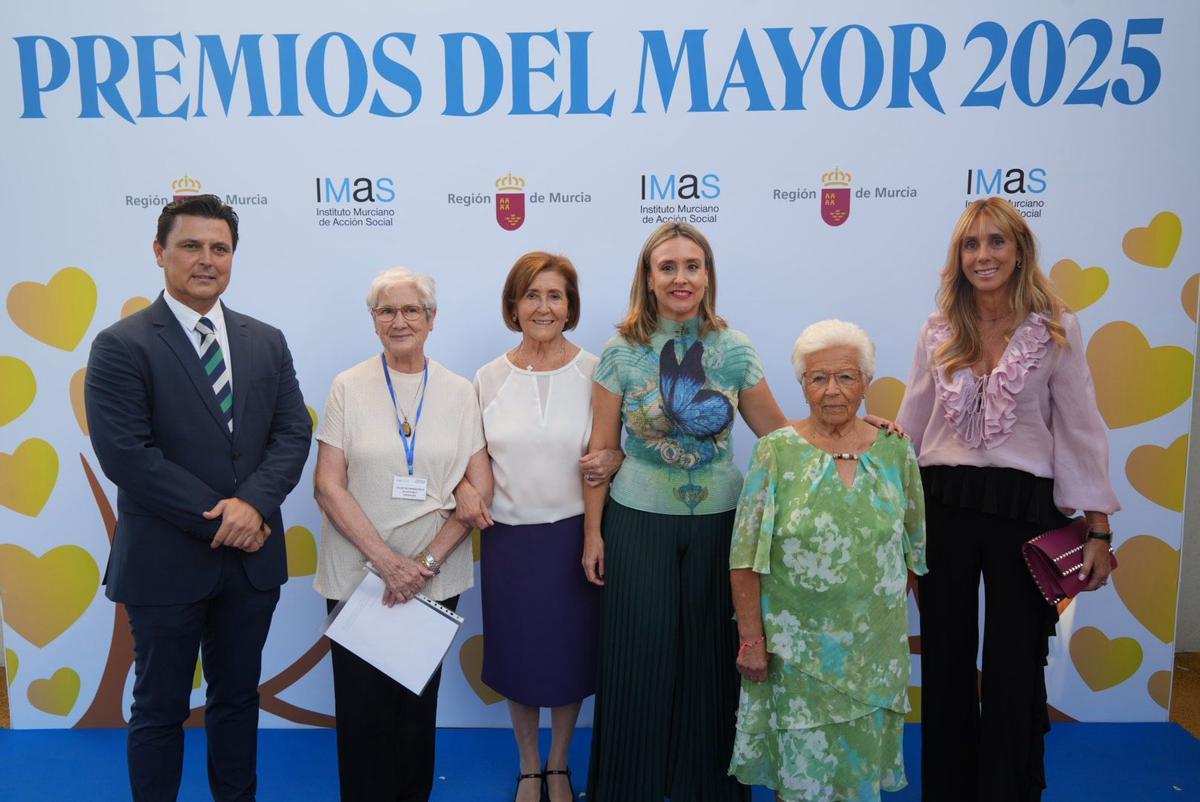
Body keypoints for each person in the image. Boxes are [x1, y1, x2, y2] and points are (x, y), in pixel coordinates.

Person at [85, 194, 312, 801]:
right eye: (190, 246)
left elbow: (293, 433)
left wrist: (252, 506)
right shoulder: (121, 344)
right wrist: (225, 518)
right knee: (159, 708)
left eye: (220, 248)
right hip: (164, 563)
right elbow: (127, 455)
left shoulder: (267, 341)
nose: (206, 259)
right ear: (159, 253)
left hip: (251, 562)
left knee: (237, 701)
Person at [896, 197, 1119, 801]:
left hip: (1025, 508)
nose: (983, 255)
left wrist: (1098, 527)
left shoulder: (1056, 328)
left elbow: (1080, 427)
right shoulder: (937, 330)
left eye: (996, 241)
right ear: (958, 258)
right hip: (944, 502)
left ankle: (1008, 790)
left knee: (1014, 661)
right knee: (945, 656)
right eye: (971, 244)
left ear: (1019, 251)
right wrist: (891, 516)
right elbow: (910, 426)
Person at [582, 222, 790, 802]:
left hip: (722, 525)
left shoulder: (735, 349)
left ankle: (710, 790)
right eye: (668, 267)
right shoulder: (620, 352)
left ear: (707, 275)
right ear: (648, 279)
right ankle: (627, 790)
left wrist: (853, 431)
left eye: (692, 266)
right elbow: (600, 453)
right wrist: (593, 533)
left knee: (713, 666)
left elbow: (778, 436)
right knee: (637, 662)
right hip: (636, 522)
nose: (681, 278)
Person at [312, 267, 492, 802]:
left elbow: (480, 487)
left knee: (415, 712)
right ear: (373, 320)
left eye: (411, 309)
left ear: (431, 319)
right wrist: (388, 564)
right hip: (358, 578)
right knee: (362, 714)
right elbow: (327, 485)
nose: (399, 321)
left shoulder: (459, 391)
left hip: (433, 579)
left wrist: (424, 565)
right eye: (386, 311)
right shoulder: (347, 386)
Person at [728, 320, 927, 802]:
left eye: (846, 377)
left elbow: (913, 546)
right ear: (802, 385)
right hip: (796, 656)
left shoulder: (896, 450)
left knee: (859, 779)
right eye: (818, 378)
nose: (832, 390)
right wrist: (751, 640)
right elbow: (744, 556)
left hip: (873, 654)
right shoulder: (775, 451)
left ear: (867, 383)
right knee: (801, 778)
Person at [458, 251, 621, 802]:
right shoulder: (487, 378)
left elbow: (612, 451)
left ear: (571, 306)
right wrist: (462, 489)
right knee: (519, 656)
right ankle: (528, 765)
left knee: (570, 656)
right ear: (514, 305)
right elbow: (470, 458)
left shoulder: (598, 372)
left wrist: (616, 460)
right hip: (509, 541)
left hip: (576, 536)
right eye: (532, 295)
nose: (543, 307)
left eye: (555, 296)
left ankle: (559, 763)